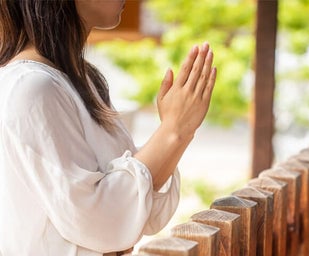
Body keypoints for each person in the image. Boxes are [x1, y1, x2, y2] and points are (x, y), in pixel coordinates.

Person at [0, 0, 216, 255]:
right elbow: (99, 222)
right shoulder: (31, 88)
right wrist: (173, 131)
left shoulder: (81, 81)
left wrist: (178, 130)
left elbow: (139, 214)